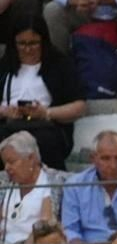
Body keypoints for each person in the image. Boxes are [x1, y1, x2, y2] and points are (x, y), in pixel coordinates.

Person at [0, 15, 86, 172]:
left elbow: (79, 105)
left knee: (44, 141)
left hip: (48, 127)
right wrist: (5, 111)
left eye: (33, 43)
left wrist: (46, 112)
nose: (27, 49)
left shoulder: (60, 65)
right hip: (9, 126)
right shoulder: (4, 66)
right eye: (22, 44)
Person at [0, 131, 61, 244]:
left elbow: (45, 223)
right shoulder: (5, 182)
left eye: (12, 161)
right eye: (5, 163)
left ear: (31, 158)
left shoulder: (50, 182)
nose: (7, 168)